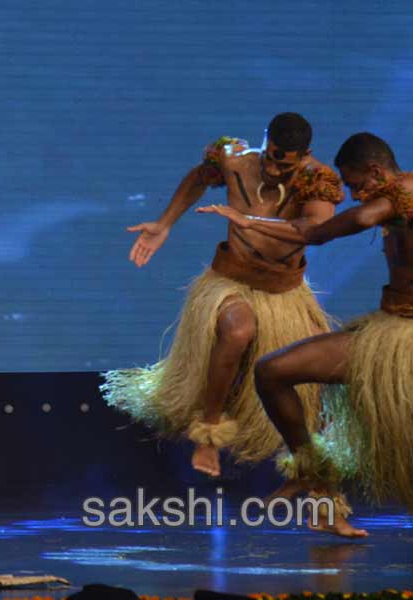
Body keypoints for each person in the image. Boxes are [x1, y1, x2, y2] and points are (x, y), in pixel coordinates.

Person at [101, 113, 343, 477]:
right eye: (272, 156)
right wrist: (165, 223)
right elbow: (199, 178)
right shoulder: (233, 161)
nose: (276, 170)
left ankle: (317, 481)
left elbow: (315, 228)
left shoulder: (316, 181)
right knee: (238, 331)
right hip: (229, 282)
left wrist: (250, 221)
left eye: (286, 164)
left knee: (313, 383)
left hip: (284, 294)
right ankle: (208, 435)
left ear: (305, 154)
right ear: (266, 140)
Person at [201, 132, 413, 537]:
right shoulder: (392, 200)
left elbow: (361, 219)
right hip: (390, 331)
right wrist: (250, 222)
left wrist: (326, 228)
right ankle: (310, 470)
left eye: (355, 184)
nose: (353, 194)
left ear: (375, 171)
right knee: (273, 371)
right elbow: (315, 232)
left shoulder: (406, 187)